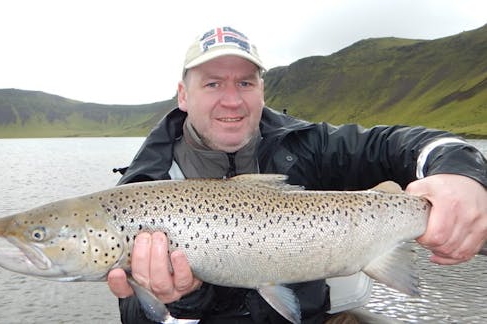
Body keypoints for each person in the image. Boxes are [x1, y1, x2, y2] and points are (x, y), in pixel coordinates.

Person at [108, 26, 487, 323]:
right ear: (183, 95)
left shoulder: (309, 143)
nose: (232, 100)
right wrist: (188, 294)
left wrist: (461, 173)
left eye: (245, 82)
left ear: (262, 90)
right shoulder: (140, 191)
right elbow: (135, 314)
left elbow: (401, 144)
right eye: (212, 83)